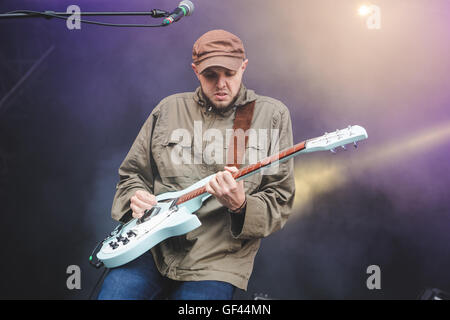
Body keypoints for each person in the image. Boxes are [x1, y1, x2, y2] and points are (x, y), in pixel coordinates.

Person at [97, 29, 295, 300]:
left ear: (244, 67)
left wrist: (241, 205)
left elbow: (279, 200)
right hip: (152, 247)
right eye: (211, 75)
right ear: (195, 71)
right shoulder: (167, 109)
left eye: (230, 73)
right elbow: (132, 174)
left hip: (216, 260)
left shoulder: (272, 115)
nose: (221, 83)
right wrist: (135, 196)